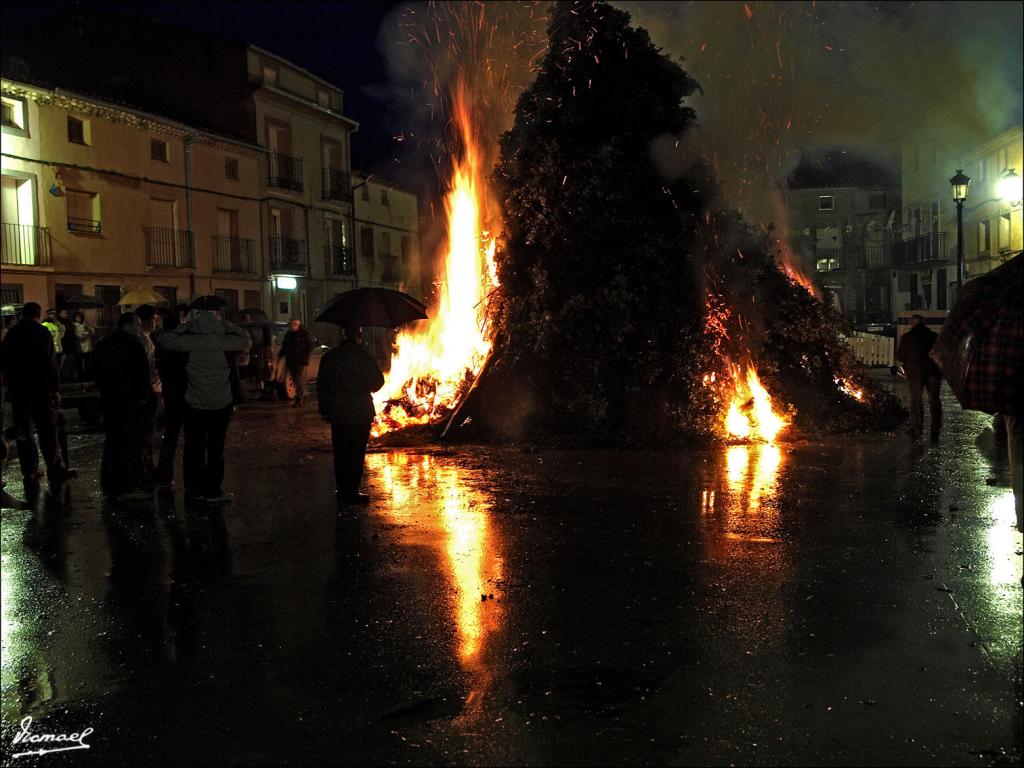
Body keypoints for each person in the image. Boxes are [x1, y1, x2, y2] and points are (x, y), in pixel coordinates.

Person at [157, 301, 250, 505]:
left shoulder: (188, 342)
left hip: (195, 402)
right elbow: (246, 339)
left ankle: (194, 488)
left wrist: (185, 325)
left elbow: (164, 339)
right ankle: (213, 490)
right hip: (221, 402)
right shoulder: (225, 341)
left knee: (194, 447)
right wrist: (226, 324)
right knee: (216, 448)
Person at [0, 302, 68, 485]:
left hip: (19, 391)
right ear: (38, 315)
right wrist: (55, 390)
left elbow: (3, 360)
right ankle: (54, 468)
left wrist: (11, 381)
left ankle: (30, 470)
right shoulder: (42, 333)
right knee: (47, 431)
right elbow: (50, 363)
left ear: (23, 315)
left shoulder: (12, 334)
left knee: (24, 432)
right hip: (41, 391)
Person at [317, 325, 385, 506]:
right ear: (359, 335)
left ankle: (341, 489)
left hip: (338, 412)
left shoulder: (329, 357)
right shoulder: (363, 357)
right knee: (356, 453)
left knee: (340, 452)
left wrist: (324, 409)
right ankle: (352, 490)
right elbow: (378, 382)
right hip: (360, 412)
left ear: (344, 333)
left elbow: (322, 387)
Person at [93, 312, 155, 500]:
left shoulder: (104, 343)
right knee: (129, 445)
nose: (139, 328)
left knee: (113, 443)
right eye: (137, 324)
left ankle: (110, 485)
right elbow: (142, 376)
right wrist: (144, 396)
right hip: (130, 402)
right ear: (127, 325)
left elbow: (94, 369)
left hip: (110, 400)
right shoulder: (132, 345)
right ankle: (125, 487)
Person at [155, 314, 189, 489]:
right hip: (184, 394)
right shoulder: (178, 346)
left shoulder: (160, 345)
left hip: (170, 393)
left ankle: (165, 474)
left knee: (171, 435)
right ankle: (190, 477)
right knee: (191, 437)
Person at [897, 314, 942, 440]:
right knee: (934, 400)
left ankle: (917, 427)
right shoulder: (934, 336)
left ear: (912, 323)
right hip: (933, 372)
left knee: (916, 400)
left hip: (915, 373)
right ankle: (935, 427)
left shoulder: (907, 337)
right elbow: (940, 353)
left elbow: (900, 356)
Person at [278, 318, 315, 406]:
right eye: (290, 325)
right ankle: (299, 397)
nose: (291, 326)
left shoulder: (304, 333)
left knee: (299, 380)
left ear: (297, 325)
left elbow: (311, 345)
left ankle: (299, 399)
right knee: (295, 380)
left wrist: (305, 356)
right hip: (291, 361)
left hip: (300, 361)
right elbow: (284, 346)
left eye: (293, 324)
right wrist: (280, 356)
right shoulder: (289, 334)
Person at [72, 312, 95, 379]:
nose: (79, 318)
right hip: (80, 347)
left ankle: (87, 376)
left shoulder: (85, 324)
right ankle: (80, 376)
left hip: (88, 347)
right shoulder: (74, 325)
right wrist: (87, 333)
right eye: (77, 317)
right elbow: (79, 336)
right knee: (79, 363)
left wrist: (87, 327)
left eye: (80, 317)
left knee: (87, 362)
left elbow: (93, 331)